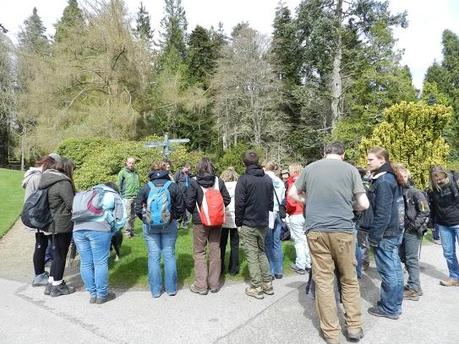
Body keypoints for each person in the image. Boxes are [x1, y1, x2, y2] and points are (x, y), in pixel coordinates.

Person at [289, 142, 369, 344]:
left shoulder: (310, 168)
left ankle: (331, 333)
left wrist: (309, 201)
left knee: (323, 281)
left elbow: (292, 194)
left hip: (316, 229)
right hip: (342, 229)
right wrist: (352, 206)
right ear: (343, 154)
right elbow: (364, 204)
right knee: (349, 279)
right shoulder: (351, 170)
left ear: (324, 153)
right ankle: (353, 327)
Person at [365, 147, 405, 320]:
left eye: (370, 159)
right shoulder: (387, 177)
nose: (367, 162)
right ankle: (394, 305)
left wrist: (374, 236)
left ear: (382, 160)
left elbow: (383, 213)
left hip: (386, 233)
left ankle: (390, 308)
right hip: (393, 231)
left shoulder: (383, 181)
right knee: (395, 270)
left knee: (390, 271)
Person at [135, 161, 185, 298]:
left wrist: (146, 220)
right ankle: (171, 289)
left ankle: (156, 291)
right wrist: (173, 218)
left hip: (150, 227)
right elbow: (181, 208)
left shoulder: (146, 187)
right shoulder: (172, 186)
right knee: (169, 256)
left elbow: (137, 208)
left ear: (151, 171)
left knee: (154, 257)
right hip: (169, 225)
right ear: (165, 171)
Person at [73, 182, 126, 304]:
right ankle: (102, 295)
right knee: (100, 262)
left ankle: (92, 294)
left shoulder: (87, 193)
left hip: (78, 230)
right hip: (99, 229)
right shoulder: (113, 194)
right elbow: (121, 218)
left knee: (85, 263)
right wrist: (112, 229)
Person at [185, 157, 231, 295]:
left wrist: (197, 212)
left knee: (199, 252)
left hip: (200, 222)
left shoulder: (193, 182)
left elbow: (189, 202)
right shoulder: (219, 181)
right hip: (216, 221)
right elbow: (227, 199)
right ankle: (214, 284)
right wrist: (216, 210)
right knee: (215, 249)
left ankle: (201, 285)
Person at [235, 151, 274, 299]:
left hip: (249, 222)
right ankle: (267, 284)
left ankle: (257, 286)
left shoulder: (244, 179)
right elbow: (271, 202)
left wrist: (238, 223)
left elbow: (239, 204)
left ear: (244, 163)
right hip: (262, 221)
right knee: (261, 252)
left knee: (252, 254)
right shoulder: (267, 179)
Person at [39, 158, 76, 297]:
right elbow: (72, 204)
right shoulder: (63, 182)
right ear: (67, 168)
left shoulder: (47, 180)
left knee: (56, 255)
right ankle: (58, 286)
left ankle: (51, 283)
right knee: (60, 255)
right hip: (62, 224)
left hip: (50, 223)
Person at [22, 153, 61, 287]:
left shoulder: (32, 176)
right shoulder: (38, 178)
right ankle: (41, 276)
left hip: (34, 215)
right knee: (44, 245)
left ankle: (40, 274)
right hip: (40, 217)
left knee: (41, 244)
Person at [394, 164, 430, 301]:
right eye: (399, 176)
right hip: (400, 230)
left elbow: (425, 210)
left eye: (403, 176)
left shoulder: (415, 192)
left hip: (412, 231)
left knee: (411, 259)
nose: (401, 178)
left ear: (407, 176)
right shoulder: (397, 191)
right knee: (402, 257)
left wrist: (414, 226)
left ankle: (414, 288)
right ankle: (414, 286)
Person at [428, 166, 459, 287]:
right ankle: (454, 277)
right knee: (448, 253)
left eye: (441, 178)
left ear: (445, 175)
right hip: (443, 224)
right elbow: (433, 207)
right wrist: (431, 222)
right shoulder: (432, 190)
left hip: (458, 222)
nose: (440, 181)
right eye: (437, 180)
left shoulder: (455, 182)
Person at [285, 163, 311, 275]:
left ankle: (300, 264)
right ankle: (309, 263)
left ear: (294, 171)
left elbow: (290, 201)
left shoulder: (293, 183)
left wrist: (287, 210)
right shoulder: (307, 181)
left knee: (299, 241)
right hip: (306, 213)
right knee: (307, 240)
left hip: (295, 213)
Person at [263, 161, 285, 279]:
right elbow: (282, 198)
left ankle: (270, 271)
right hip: (277, 212)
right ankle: (279, 270)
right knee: (277, 242)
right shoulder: (280, 182)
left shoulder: (265, 180)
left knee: (268, 242)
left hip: (269, 212)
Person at [219, 167, 240, 276]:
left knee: (221, 244)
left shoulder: (220, 186)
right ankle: (234, 268)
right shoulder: (238, 186)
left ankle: (220, 267)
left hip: (223, 217)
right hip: (235, 217)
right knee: (235, 244)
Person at [117, 157, 140, 238]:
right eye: (130, 163)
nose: (131, 164)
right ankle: (126, 233)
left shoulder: (136, 173)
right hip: (126, 196)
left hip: (135, 196)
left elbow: (138, 184)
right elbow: (119, 185)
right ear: (126, 163)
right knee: (127, 216)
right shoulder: (122, 173)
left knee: (133, 215)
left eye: (133, 163)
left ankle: (132, 231)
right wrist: (120, 196)